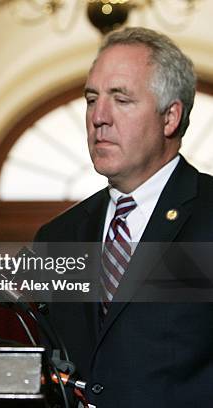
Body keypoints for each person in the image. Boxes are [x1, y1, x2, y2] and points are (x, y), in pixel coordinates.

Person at [35, 27, 213, 406]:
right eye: (91, 98)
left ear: (170, 117)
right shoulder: (58, 236)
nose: (99, 117)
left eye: (121, 99)